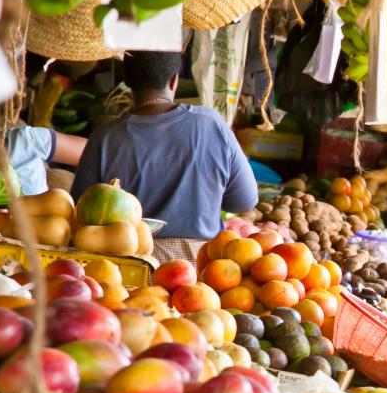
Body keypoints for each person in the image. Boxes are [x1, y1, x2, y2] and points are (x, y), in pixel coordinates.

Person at [71, 51, 258, 262]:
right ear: (174, 80)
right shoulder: (211, 124)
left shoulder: (104, 137)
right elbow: (244, 201)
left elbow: (81, 213)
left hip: (125, 272)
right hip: (202, 273)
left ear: (127, 80)